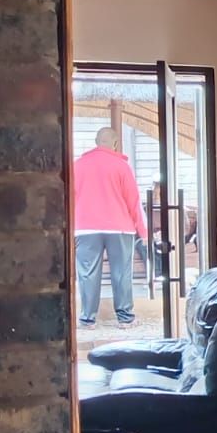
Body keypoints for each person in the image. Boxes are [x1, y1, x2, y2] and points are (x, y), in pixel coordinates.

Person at [74, 127, 147, 328]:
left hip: (85, 227)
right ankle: (125, 318)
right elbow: (133, 201)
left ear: (96, 141)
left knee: (87, 273)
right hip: (119, 227)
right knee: (121, 272)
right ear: (115, 144)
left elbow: (69, 198)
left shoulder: (78, 165)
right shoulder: (121, 166)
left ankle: (87, 319)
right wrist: (143, 231)